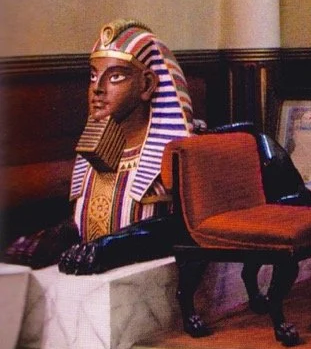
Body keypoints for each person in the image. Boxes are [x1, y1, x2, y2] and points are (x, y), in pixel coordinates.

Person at [4, 20, 193, 273]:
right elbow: (88, 222)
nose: (97, 88)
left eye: (115, 77)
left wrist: (110, 247)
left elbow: (182, 228)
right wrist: (53, 239)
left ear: (147, 85)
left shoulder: (178, 154)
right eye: (93, 75)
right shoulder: (99, 154)